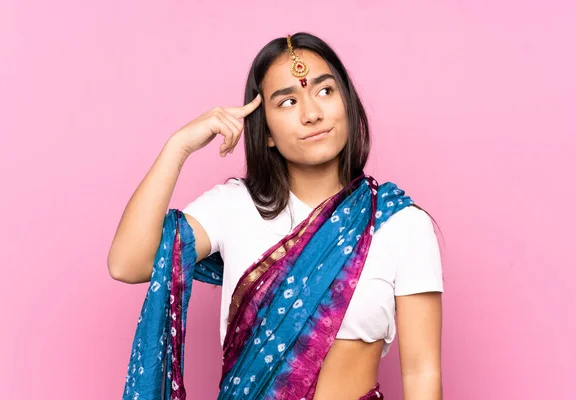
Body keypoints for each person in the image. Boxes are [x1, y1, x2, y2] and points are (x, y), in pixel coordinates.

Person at [108, 32, 444, 400]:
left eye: (325, 91)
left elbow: (421, 373)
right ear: (264, 131)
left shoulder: (401, 224)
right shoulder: (233, 207)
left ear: (347, 104)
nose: (312, 113)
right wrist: (178, 146)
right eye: (287, 101)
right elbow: (129, 263)